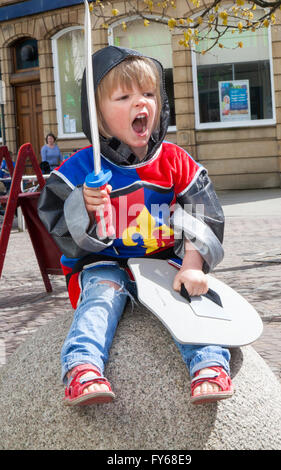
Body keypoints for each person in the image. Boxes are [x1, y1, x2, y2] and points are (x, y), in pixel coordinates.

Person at [38, 46, 233, 407]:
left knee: (189, 299)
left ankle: (208, 362)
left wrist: (192, 266)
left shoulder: (174, 161)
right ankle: (82, 368)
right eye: (124, 96)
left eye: (148, 93)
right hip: (102, 263)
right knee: (102, 296)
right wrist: (84, 203)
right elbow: (54, 219)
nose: (139, 103)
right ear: (97, 114)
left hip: (162, 263)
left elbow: (203, 210)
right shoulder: (81, 168)